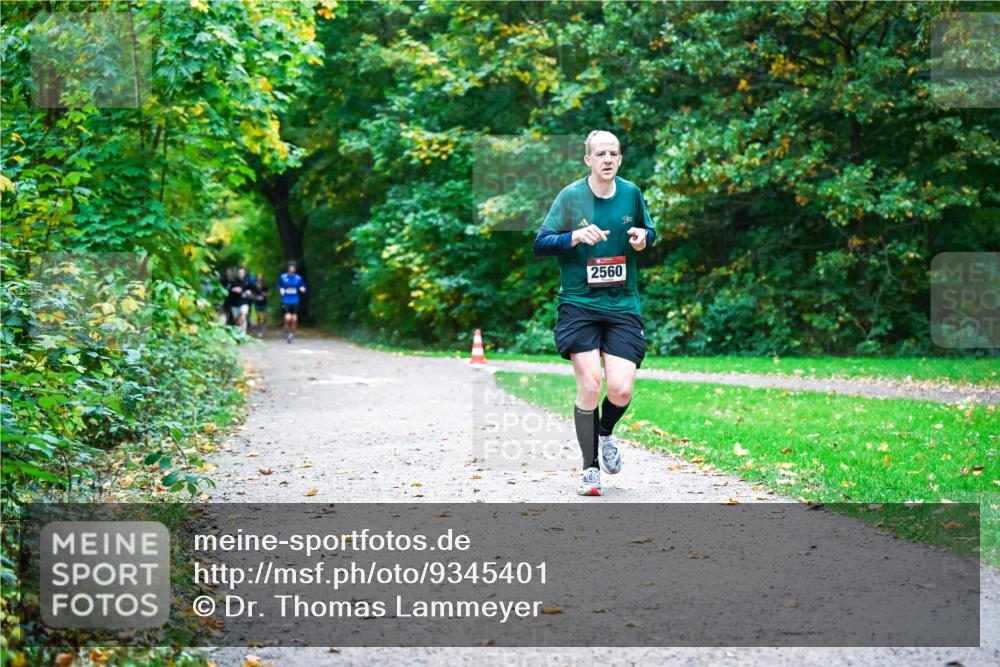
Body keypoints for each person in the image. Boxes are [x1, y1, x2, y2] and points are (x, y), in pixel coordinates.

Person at [532, 130, 656, 496]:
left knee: (620, 390)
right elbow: (541, 244)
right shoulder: (571, 197)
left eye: (613, 153)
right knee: (590, 385)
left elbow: (649, 232)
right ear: (588, 159)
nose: (607, 159)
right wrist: (574, 237)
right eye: (600, 153)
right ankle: (589, 468)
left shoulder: (631, 193)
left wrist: (643, 238)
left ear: (620, 159)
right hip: (579, 304)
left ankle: (605, 433)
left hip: (622, 304)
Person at [278, 261, 306, 343]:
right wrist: (281, 289)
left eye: (293, 267)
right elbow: (279, 285)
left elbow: (303, 286)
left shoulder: (298, 278)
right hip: (286, 300)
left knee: (294, 319)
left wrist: (302, 288)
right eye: (290, 267)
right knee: (288, 317)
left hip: (295, 300)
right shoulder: (283, 277)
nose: (292, 269)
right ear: (288, 268)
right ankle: (285, 326)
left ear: (295, 269)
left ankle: (291, 334)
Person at [233, 266, 253, 335]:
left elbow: (253, 290)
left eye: (242, 273)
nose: (240, 274)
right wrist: (234, 289)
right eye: (239, 273)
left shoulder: (248, 281)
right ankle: (238, 333)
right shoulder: (234, 281)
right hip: (235, 303)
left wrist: (249, 292)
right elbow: (228, 290)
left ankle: (243, 334)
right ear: (237, 273)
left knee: (243, 317)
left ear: (244, 273)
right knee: (237, 321)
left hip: (244, 302)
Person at [252, 271, 270, 337]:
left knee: (264, 316)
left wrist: (265, 294)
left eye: (260, 277)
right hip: (257, 303)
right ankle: (259, 330)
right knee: (258, 317)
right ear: (256, 278)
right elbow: (252, 294)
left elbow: (268, 294)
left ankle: (264, 326)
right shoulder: (254, 286)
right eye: (258, 277)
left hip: (264, 303)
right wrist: (254, 296)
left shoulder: (265, 286)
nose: (259, 278)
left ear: (262, 278)